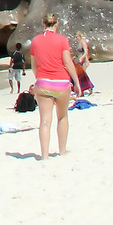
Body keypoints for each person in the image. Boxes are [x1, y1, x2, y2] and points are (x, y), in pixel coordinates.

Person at [30, 14, 83, 159]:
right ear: (57, 24)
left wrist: (40, 78)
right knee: (62, 117)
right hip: (61, 83)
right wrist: (77, 82)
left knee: (45, 121)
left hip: (43, 82)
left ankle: (44, 155)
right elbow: (67, 62)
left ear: (43, 24)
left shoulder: (35, 41)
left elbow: (34, 66)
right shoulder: (62, 40)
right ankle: (62, 150)